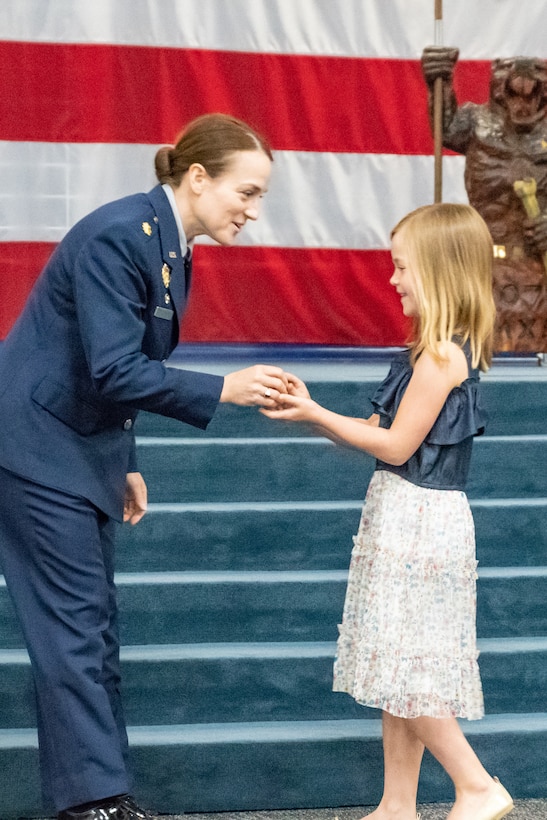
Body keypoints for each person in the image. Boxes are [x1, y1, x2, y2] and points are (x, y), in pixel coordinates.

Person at [0, 113, 291, 820]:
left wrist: (124, 458)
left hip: (79, 445)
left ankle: (102, 795)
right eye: (245, 193)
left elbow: (115, 364)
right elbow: (113, 366)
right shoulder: (118, 234)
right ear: (197, 178)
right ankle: (94, 803)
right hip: (37, 448)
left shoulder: (164, 241)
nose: (252, 212)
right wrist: (222, 387)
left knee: (90, 626)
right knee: (73, 629)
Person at [262, 203, 514, 820]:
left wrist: (317, 416)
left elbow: (397, 446)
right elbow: (377, 428)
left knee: (408, 663)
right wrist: (313, 408)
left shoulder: (441, 359)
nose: (394, 279)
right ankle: (397, 803)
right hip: (400, 511)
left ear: (437, 270)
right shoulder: (421, 352)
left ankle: (478, 786)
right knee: (395, 660)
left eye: (402, 267)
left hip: (422, 521)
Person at [421, 46, 547, 353]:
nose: (523, 105)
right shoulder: (476, 123)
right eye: (515, 94)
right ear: (500, 92)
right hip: (483, 265)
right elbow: (445, 129)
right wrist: (439, 81)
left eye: (531, 95)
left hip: (540, 266)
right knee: (477, 351)